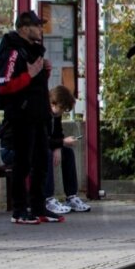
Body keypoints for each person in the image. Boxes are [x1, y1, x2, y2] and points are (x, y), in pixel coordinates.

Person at [0, 10, 63, 224]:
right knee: (23, 163)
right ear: (25, 28)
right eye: (37, 26)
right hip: (22, 116)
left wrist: (44, 73)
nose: (41, 30)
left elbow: (35, 86)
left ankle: (38, 206)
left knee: (41, 161)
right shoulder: (14, 51)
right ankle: (19, 210)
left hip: (39, 114)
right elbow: (4, 85)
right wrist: (31, 74)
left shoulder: (34, 51)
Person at [43, 85, 91, 214]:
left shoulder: (56, 114)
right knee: (46, 154)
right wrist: (62, 142)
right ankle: (47, 199)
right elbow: (40, 140)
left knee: (68, 153)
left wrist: (58, 146)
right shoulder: (41, 113)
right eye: (62, 108)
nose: (62, 112)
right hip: (31, 148)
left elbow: (57, 133)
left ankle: (71, 196)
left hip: (46, 146)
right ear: (53, 103)